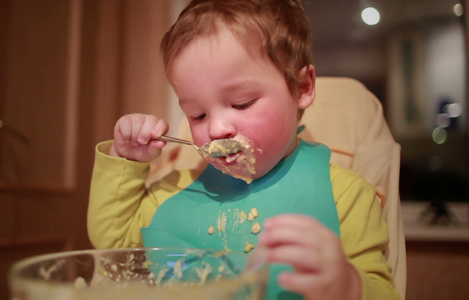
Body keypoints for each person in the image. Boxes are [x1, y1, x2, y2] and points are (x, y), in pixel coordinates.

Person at [88, 0, 399, 299]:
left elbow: (384, 292)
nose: (215, 129)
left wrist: (346, 288)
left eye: (241, 103)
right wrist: (126, 158)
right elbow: (113, 238)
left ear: (302, 88)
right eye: (198, 114)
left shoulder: (344, 195)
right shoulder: (174, 190)